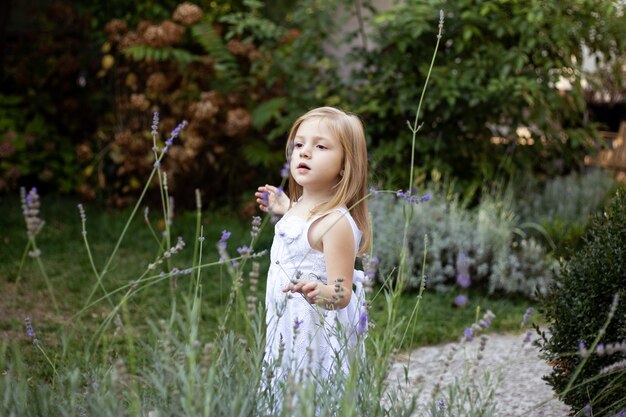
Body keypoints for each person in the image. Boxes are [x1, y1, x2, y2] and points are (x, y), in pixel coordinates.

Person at [255, 106, 371, 384]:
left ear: (345, 163)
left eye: (320, 146)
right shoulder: (303, 207)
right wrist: (285, 207)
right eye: (299, 144)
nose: (304, 152)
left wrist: (321, 291)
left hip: (312, 332)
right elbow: (303, 224)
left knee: (308, 393)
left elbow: (341, 293)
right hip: (285, 325)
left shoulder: (335, 224)